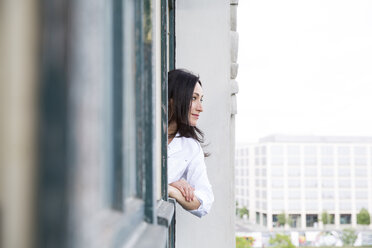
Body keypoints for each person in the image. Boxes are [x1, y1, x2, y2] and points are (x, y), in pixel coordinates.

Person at [167, 69, 214, 218]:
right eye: (193, 98)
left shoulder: (191, 147)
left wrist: (170, 189)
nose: (200, 108)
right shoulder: (141, 132)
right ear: (172, 99)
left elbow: (205, 202)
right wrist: (170, 182)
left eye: (201, 100)